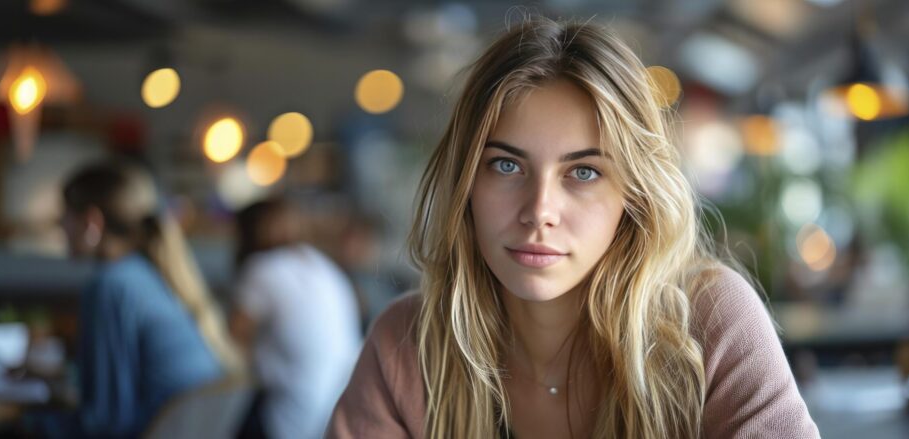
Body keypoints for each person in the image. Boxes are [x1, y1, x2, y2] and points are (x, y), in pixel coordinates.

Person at [329, 17, 819, 438]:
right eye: (505, 166)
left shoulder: (708, 323)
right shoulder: (409, 346)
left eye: (583, 172)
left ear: (634, 195)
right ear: (466, 184)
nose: (540, 210)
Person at [50, 160, 240, 437]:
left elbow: (106, 422)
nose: (60, 226)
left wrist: (31, 419)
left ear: (92, 222)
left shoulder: (112, 285)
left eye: (65, 215)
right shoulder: (148, 274)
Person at [230, 197, 362, 439]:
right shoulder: (320, 264)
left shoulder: (260, 268)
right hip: (341, 411)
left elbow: (229, 345)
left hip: (290, 418)